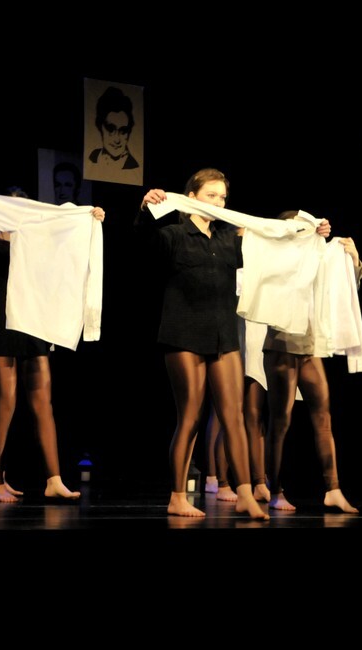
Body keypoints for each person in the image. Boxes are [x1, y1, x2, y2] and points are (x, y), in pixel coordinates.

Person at [136, 168, 286, 519]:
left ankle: (245, 493)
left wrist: (309, 234)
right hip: (184, 335)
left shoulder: (229, 239)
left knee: (233, 416)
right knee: (190, 415)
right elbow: (144, 240)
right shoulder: (175, 235)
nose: (218, 203)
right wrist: (145, 209)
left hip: (223, 336)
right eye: (211, 196)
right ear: (191, 197)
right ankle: (177, 496)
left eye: (223, 198)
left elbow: (275, 250)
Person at [0, 185, 103, 503]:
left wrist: (89, 220)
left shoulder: (39, 247)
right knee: (6, 401)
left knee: (43, 402)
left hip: (33, 325)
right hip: (0, 326)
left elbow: (69, 245)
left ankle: (54, 479)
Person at [263, 211, 362, 514]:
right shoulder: (277, 256)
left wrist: (352, 258)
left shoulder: (318, 255)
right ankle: (275, 490)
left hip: (310, 343)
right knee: (281, 419)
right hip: (282, 343)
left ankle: (333, 489)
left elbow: (342, 289)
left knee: (323, 416)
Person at [88, 87, 139, 171]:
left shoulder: (134, 167)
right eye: (111, 129)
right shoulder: (93, 156)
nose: (117, 140)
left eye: (123, 131)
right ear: (100, 126)